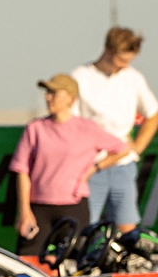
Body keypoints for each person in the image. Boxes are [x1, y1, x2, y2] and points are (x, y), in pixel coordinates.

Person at [14, 74, 129, 255]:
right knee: (27, 261)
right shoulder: (35, 128)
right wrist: (24, 211)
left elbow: (122, 148)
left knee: (75, 260)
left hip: (73, 206)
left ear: (70, 98)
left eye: (54, 93)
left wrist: (94, 168)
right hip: (39, 208)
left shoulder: (87, 128)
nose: (48, 97)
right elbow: (21, 171)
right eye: (47, 93)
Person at [69, 26, 158, 232]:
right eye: (121, 60)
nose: (124, 66)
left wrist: (137, 147)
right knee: (85, 227)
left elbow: (153, 114)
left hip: (123, 165)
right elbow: (71, 123)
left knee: (127, 227)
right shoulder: (80, 77)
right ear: (108, 51)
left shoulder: (133, 78)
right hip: (90, 166)